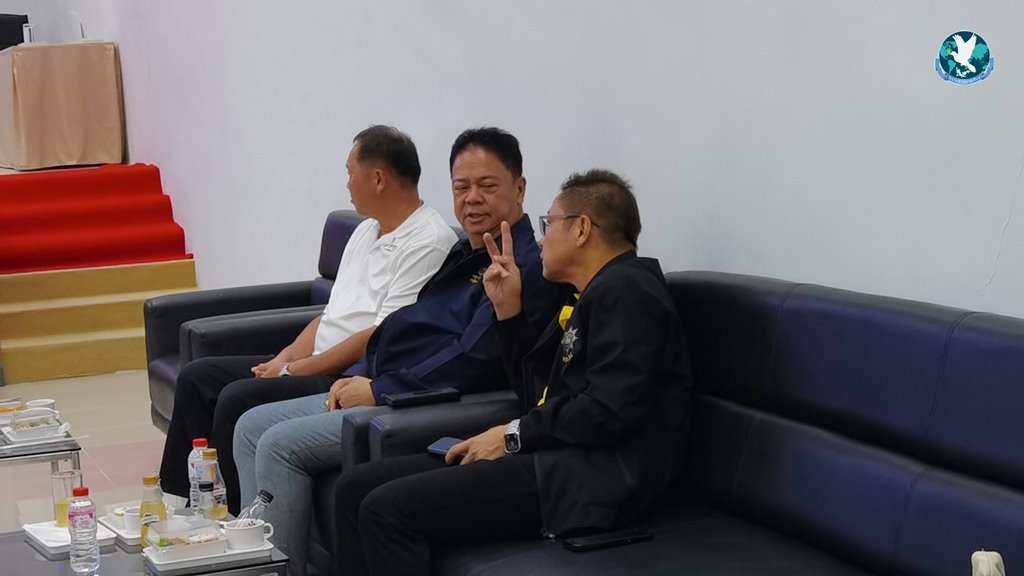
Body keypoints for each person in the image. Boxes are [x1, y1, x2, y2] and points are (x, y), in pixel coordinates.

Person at [231, 127, 564, 576]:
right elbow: (411, 327)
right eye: (461, 187)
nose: (472, 199)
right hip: (384, 381)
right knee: (249, 426)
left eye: (487, 186)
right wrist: (364, 373)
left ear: (519, 188)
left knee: (277, 445)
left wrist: (381, 388)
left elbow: (472, 358)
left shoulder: (522, 264)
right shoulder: (464, 253)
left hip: (422, 401)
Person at [332, 169, 693, 576]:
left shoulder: (628, 292)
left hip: (593, 479)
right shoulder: (591, 293)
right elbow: (539, 395)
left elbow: (609, 410)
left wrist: (513, 435)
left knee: (387, 510)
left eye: (549, 224)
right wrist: (508, 312)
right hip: (555, 456)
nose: (540, 240)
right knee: (354, 488)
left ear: (581, 229)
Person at [157, 125, 457, 511]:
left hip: (347, 374)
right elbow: (331, 315)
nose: (346, 184)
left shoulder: (428, 241)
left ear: (378, 178)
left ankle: (231, 519)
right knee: (198, 377)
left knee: (235, 398)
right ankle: (177, 504)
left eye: (350, 173)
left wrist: (295, 370)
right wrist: (283, 359)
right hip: (314, 362)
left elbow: (379, 336)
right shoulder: (366, 231)